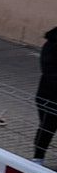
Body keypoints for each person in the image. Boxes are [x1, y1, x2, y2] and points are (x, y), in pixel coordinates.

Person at [34, 24, 56, 163]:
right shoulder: (52, 44)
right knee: (47, 127)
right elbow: (49, 71)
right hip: (50, 96)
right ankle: (38, 157)